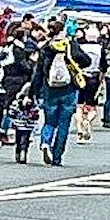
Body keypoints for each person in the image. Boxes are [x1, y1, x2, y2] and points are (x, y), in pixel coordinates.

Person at [28, 29, 91, 166]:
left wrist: (32, 93)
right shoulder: (71, 46)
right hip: (69, 90)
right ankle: (57, 157)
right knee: (64, 124)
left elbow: (38, 73)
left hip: (50, 89)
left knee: (49, 121)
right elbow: (87, 61)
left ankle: (45, 142)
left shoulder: (46, 48)